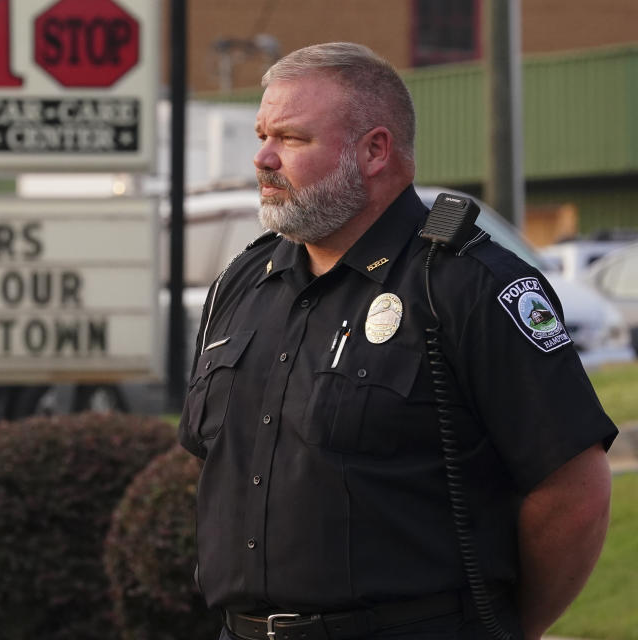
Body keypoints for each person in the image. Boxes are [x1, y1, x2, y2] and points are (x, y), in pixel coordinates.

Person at [178, 42, 617, 640]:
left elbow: (572, 491)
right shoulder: (243, 282)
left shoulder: (468, 285)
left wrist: (511, 627)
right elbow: (213, 463)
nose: (263, 157)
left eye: (292, 138)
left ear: (374, 150)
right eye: (262, 134)